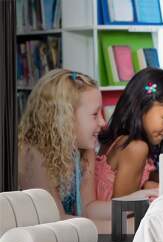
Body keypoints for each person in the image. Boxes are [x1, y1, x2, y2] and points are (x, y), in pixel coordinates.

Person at [18, 69, 106, 219]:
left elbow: (88, 208)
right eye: (95, 114)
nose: (103, 122)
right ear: (66, 118)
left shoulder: (84, 151)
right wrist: (126, 229)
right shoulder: (31, 154)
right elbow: (56, 220)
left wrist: (136, 203)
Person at [95, 68, 163, 201]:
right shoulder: (136, 147)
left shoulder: (117, 140)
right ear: (142, 107)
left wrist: (147, 185)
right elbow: (125, 211)